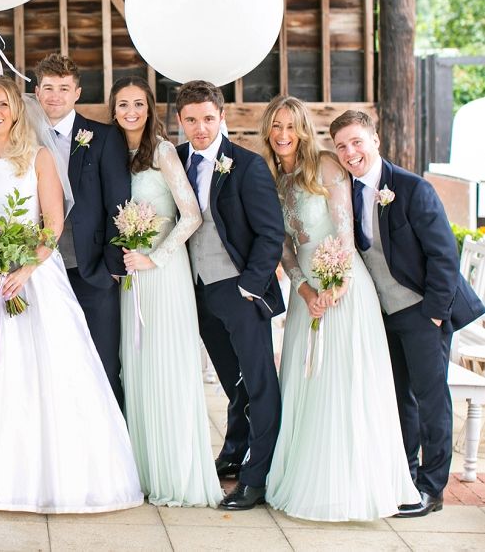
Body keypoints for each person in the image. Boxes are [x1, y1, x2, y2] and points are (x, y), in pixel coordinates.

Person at [0, 75, 143, 513]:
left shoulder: (39, 157)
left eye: (3, 103)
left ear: (17, 110)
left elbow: (54, 224)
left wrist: (24, 270)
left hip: (35, 276)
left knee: (48, 375)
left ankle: (50, 479)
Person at [261, 96, 420, 521]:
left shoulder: (328, 165)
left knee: (345, 383)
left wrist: (336, 281)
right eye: (276, 127)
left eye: (290, 126)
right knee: (306, 384)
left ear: (303, 129)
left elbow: (344, 227)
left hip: (344, 288)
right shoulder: (275, 182)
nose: (283, 135)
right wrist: (305, 292)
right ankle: (307, 476)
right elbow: (286, 251)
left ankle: (354, 484)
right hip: (307, 298)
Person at [330, 110, 485, 517]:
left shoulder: (412, 188)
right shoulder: (345, 190)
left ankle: (432, 490)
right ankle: (406, 478)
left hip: (421, 311)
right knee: (399, 398)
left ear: (375, 140)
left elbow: (444, 256)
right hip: (384, 315)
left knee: (431, 399)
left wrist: (433, 315)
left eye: (357, 141)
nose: (350, 152)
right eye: (342, 146)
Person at [109, 76, 222, 507]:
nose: (131, 111)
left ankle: (175, 474)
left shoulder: (162, 151)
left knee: (166, 367)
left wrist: (157, 256)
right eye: (123, 105)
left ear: (150, 108)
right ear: (114, 110)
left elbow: (191, 214)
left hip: (162, 273)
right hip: (130, 276)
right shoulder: (113, 152)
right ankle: (144, 470)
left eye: (139, 103)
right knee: (136, 369)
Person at [174, 80, 284, 511]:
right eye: (190, 120)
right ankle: (234, 454)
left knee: (258, 383)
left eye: (207, 118)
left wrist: (249, 287)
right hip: (198, 293)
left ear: (221, 116)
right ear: (180, 122)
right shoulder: (176, 161)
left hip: (239, 291)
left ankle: (257, 479)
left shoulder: (247, 165)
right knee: (231, 382)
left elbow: (270, 233)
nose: (200, 128)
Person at [34, 53, 130, 406]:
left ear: (77, 92)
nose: (55, 96)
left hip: (92, 272)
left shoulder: (103, 138)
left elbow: (118, 205)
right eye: (48, 88)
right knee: (51, 366)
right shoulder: (24, 139)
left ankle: (114, 453)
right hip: (39, 275)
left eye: (63, 88)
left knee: (103, 365)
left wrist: (111, 270)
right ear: (37, 91)